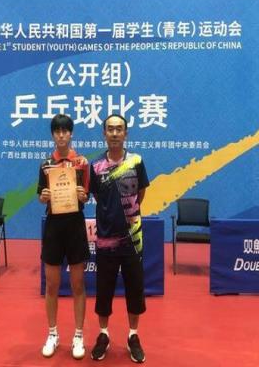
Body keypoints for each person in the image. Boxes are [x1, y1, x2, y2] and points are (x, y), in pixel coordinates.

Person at [89, 114, 150, 363]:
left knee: (135, 288)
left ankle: (133, 335)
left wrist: (129, 215)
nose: (115, 133)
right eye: (110, 129)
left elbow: (141, 193)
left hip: (133, 237)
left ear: (126, 133)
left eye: (119, 129)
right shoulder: (95, 166)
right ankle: (103, 333)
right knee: (104, 289)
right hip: (105, 238)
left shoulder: (136, 161)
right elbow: (96, 197)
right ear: (104, 133)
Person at [37, 114, 90, 359]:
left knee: (78, 284)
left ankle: (78, 335)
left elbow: (87, 194)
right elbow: (41, 195)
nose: (61, 135)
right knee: (52, 285)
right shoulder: (45, 164)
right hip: (54, 227)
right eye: (57, 131)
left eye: (65, 131)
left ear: (71, 134)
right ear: (52, 135)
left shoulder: (82, 162)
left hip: (75, 225)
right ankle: (53, 333)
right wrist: (43, 197)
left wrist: (83, 195)